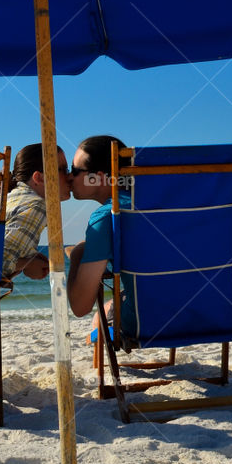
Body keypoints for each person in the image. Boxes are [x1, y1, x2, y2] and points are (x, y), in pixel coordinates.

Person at [0, 144, 72, 322]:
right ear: (39, 177)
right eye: (63, 169)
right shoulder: (36, 205)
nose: (69, 176)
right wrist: (28, 264)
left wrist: (30, 257)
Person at [66, 134, 137, 338]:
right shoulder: (164, 205)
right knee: (113, 304)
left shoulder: (106, 217)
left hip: (147, 321)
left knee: (100, 319)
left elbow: (80, 306)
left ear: (97, 177)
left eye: (75, 170)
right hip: (206, 312)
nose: (69, 177)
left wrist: (79, 254)